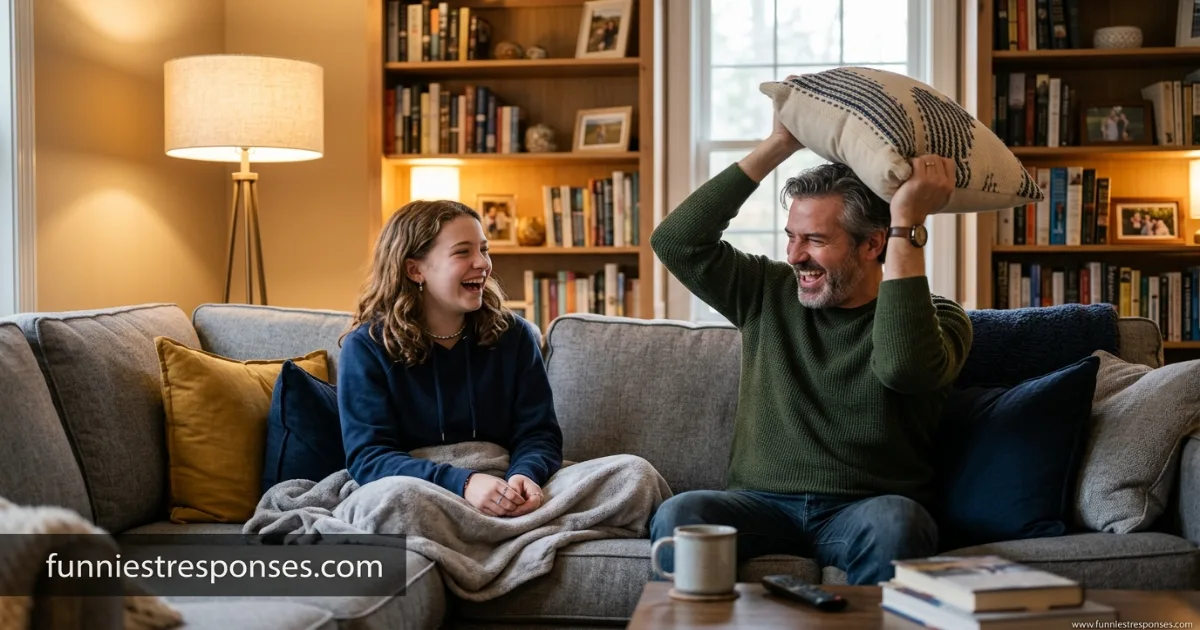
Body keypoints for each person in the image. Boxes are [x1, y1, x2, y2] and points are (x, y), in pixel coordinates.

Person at [648, 115, 973, 585]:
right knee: (682, 513)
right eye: (791, 236)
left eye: (816, 240)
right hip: (760, 505)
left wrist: (907, 223)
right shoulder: (766, 290)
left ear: (873, 244)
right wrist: (778, 144)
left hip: (863, 510)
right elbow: (676, 242)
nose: (795, 255)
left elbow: (904, 369)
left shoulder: (940, 318)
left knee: (898, 524)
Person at [338, 199, 564, 518]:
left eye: (483, 250)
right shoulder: (367, 347)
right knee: (393, 505)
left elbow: (539, 434)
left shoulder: (515, 336)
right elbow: (370, 458)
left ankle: (497, 531)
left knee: (633, 476)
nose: (483, 263)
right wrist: (465, 483)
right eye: (463, 252)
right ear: (415, 269)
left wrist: (526, 475)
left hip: (504, 481)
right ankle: (496, 538)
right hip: (418, 489)